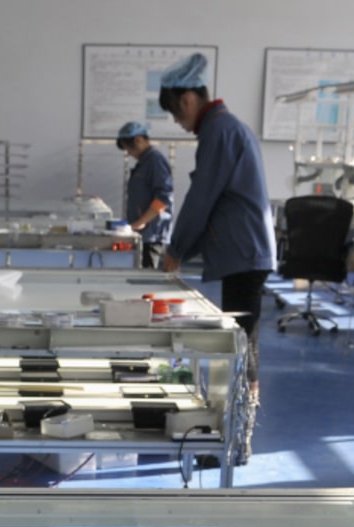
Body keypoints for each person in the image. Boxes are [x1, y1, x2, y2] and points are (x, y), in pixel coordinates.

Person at [158, 52, 276, 464]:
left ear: (187, 99)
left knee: (242, 347)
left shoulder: (218, 131)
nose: (179, 122)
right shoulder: (225, 128)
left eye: (176, 113)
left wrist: (175, 251)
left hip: (244, 254)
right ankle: (235, 439)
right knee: (242, 344)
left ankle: (237, 442)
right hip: (244, 252)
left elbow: (201, 196)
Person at [115, 120, 173, 269]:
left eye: (129, 148)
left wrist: (143, 221)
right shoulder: (144, 162)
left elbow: (163, 197)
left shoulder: (155, 161)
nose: (128, 152)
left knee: (148, 276)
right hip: (142, 233)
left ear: (139, 140)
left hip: (152, 234)